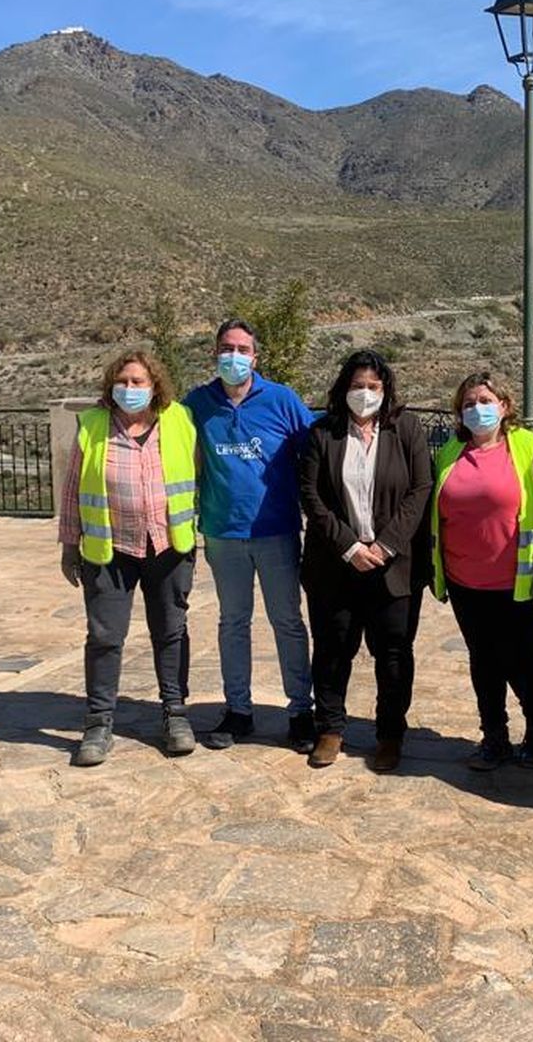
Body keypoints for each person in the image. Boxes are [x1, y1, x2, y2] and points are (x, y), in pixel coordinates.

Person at [59, 350, 200, 766]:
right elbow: (72, 491)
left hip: (168, 544)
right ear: (111, 386)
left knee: (171, 631)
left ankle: (176, 714)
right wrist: (70, 545)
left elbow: (199, 474)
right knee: (104, 637)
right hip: (110, 549)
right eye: (123, 381)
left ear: (155, 385)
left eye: (139, 381)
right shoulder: (93, 426)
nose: (130, 389)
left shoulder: (179, 420)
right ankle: (99, 723)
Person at [185, 318, 318, 751]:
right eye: (227, 348)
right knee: (232, 622)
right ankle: (238, 710)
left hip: (276, 531)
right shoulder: (197, 404)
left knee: (288, 622)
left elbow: (316, 450)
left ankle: (300, 711)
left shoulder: (281, 400)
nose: (235, 356)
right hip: (223, 533)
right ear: (215, 353)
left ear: (255, 357)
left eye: (243, 349)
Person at [299, 351, 433, 772]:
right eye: (358, 385)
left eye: (373, 387)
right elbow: (311, 495)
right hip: (336, 565)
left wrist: (385, 545)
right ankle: (330, 730)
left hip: (393, 567)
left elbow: (420, 489)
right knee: (333, 649)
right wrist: (350, 547)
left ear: (386, 390)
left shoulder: (406, 429)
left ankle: (390, 734)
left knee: (393, 653)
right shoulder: (323, 432)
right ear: (344, 389)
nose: (365, 393)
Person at [430, 371, 533, 770]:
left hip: (521, 582)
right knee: (483, 660)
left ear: (505, 406)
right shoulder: (450, 453)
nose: (478, 409)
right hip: (464, 582)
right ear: (459, 412)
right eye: (469, 403)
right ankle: (494, 736)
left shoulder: (531, 449)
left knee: (521, 659)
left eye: (486, 400)